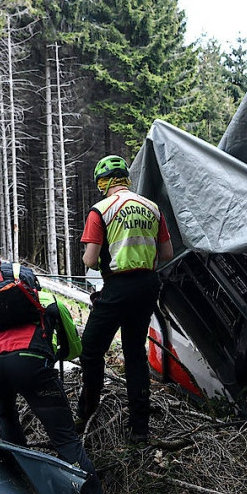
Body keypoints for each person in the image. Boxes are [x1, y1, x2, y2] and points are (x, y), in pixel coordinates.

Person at [0, 263, 119, 494]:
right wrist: (50, 353)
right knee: (65, 440)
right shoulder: (50, 302)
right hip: (30, 365)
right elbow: (74, 349)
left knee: (8, 420)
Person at [76, 154, 173, 444]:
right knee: (135, 354)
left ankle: (86, 411)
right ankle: (139, 430)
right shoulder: (152, 208)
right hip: (147, 286)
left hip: (117, 286)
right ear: (127, 179)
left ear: (102, 183)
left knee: (91, 350)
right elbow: (166, 255)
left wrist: (93, 258)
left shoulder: (100, 210)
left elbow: (90, 259)